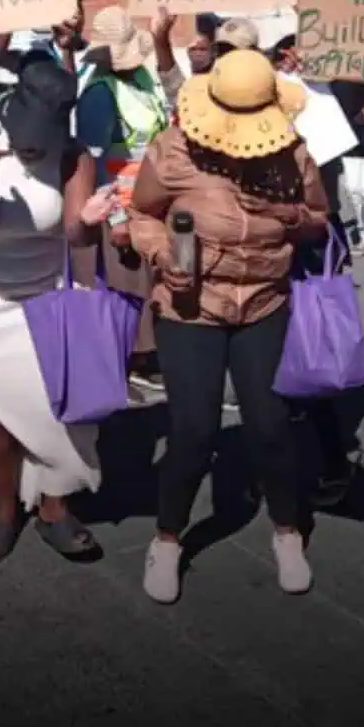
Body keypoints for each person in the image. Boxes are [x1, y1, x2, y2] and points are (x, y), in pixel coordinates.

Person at [128, 49, 329, 603]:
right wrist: (161, 252)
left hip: (264, 301)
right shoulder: (172, 149)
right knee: (194, 430)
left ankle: (288, 531)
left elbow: (318, 219)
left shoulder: (292, 153)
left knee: (271, 425)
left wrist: (285, 215)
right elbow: (142, 213)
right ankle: (167, 538)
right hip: (190, 305)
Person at [0, 60, 119, 561]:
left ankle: (54, 507)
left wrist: (89, 220)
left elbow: (75, 233)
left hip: (44, 296)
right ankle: (4, 510)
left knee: (58, 405)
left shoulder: (73, 158)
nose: (32, 148)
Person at [76, 6, 169, 390]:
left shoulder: (143, 80)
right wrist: (115, 220)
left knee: (153, 279)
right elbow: (94, 163)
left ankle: (147, 355)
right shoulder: (99, 95)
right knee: (125, 284)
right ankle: (125, 364)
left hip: (152, 202)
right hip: (121, 203)